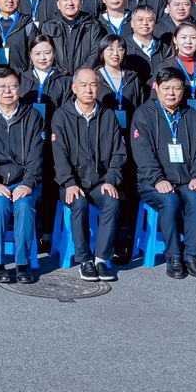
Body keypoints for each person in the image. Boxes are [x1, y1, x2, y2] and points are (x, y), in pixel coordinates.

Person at [131, 67, 196, 280]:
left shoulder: (191, 115)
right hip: (152, 181)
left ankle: (191, 256)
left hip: (186, 179)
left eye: (177, 88)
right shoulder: (144, 114)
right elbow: (142, 153)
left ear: (184, 89)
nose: (171, 93)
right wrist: (157, 179)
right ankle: (174, 256)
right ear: (156, 87)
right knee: (170, 201)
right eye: (166, 88)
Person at [0, 67, 46, 284]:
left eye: (12, 86)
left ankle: (22, 263)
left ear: (19, 88)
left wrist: (29, 183)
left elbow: (36, 155)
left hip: (25, 180)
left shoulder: (32, 116)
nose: (7, 91)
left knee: (24, 205)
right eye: (2, 87)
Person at [50, 67, 125, 282]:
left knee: (112, 202)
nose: (88, 90)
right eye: (83, 85)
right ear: (74, 88)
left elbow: (119, 153)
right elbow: (59, 155)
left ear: (98, 87)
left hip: (100, 182)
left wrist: (110, 180)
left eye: (93, 85)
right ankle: (84, 260)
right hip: (72, 182)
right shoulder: (61, 116)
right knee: (79, 203)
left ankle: (101, 259)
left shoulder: (107, 116)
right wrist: (69, 183)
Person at [91, 35, 143, 129]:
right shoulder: (94, 78)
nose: (115, 53)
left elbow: (140, 106)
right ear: (102, 51)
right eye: (110, 49)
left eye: (120, 49)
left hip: (129, 131)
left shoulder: (132, 78)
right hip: (100, 131)